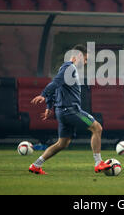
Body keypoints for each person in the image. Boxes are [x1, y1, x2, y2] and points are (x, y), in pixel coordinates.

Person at [28, 44, 111, 175]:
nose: (85, 62)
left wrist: (49, 106)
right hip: (71, 111)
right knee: (97, 128)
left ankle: (36, 165)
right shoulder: (69, 68)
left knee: (62, 143)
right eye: (85, 59)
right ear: (78, 56)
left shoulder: (65, 68)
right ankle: (98, 162)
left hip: (62, 112)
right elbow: (55, 83)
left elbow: (56, 87)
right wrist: (43, 95)